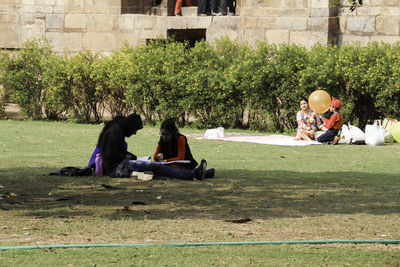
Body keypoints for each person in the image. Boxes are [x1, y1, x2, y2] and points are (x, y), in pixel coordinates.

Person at [99, 114, 207, 180]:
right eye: (135, 130)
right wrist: (127, 155)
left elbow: (114, 152)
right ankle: (194, 174)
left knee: (155, 168)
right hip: (117, 168)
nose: (134, 133)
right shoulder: (116, 131)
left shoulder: (116, 130)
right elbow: (111, 153)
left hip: (119, 166)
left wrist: (131, 156)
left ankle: (203, 173)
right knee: (156, 167)